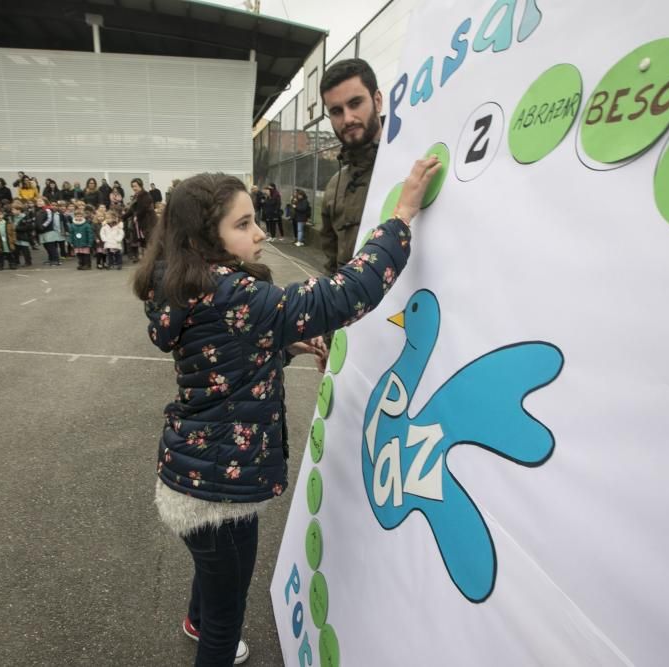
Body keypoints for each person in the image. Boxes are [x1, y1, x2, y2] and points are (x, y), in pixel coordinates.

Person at [133, 158, 439, 667]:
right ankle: (209, 631)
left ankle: (196, 618)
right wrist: (402, 216)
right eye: (243, 224)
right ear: (206, 239)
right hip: (219, 491)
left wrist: (284, 347)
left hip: (190, 475)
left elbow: (223, 363)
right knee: (226, 624)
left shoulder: (187, 286)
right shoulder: (237, 293)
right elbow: (344, 295)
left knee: (214, 570)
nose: (259, 234)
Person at [319, 58, 384, 274]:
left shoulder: (410, 166)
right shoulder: (333, 188)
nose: (347, 119)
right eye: (336, 111)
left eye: (355, 103)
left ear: (377, 101)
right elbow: (332, 266)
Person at [122, 178, 156, 263]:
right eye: (132, 186)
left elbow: (144, 207)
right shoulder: (136, 196)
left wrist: (137, 215)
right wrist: (122, 217)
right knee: (143, 242)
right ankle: (147, 260)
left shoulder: (145, 195)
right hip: (140, 223)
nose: (134, 188)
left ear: (140, 185)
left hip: (148, 222)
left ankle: (153, 259)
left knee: (150, 241)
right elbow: (132, 210)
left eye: (135, 186)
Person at [36, 197, 64, 266]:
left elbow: (49, 219)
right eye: (38, 201)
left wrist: (43, 226)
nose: (39, 203)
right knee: (46, 246)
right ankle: (51, 259)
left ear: (45, 202)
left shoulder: (48, 210)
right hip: (41, 231)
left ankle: (56, 260)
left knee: (51, 246)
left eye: (40, 201)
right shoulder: (39, 210)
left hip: (48, 231)